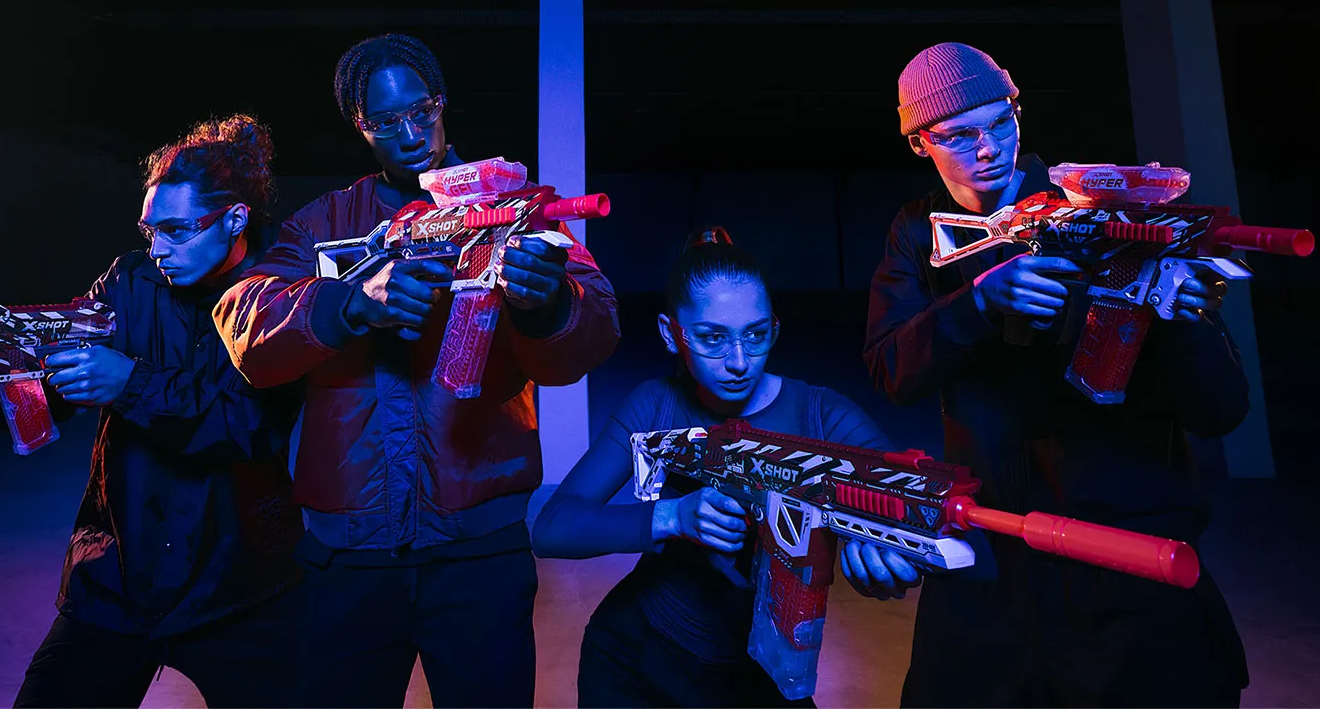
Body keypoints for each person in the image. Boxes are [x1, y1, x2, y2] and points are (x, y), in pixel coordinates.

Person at [0, 114, 305, 709]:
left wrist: (129, 382)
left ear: (235, 219)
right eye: (149, 230)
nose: (157, 249)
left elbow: (251, 426)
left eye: (176, 230)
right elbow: (44, 388)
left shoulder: (281, 291)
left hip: (241, 585)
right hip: (117, 579)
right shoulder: (130, 281)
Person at [212, 33, 621, 708]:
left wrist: (548, 303)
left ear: (441, 103)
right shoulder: (323, 223)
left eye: (420, 112)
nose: (409, 135)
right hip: (349, 552)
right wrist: (350, 302)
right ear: (360, 125)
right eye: (385, 121)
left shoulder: (514, 209)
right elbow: (243, 324)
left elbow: (595, 328)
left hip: (479, 547)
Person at [864, 42, 1251, 707]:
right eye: (958, 134)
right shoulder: (918, 232)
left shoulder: (1103, 209)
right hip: (994, 547)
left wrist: (1180, 314)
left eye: (1001, 122)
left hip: (1126, 545)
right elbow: (891, 369)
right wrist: (979, 302)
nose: (989, 148)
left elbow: (1221, 408)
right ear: (920, 143)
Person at [532, 227, 919, 708]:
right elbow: (552, 527)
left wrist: (885, 556)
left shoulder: (822, 416)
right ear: (671, 334)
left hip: (761, 678)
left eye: (755, 335)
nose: (739, 362)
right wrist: (673, 517)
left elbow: (920, 511)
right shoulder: (654, 404)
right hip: (635, 664)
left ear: (774, 327)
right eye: (712, 338)